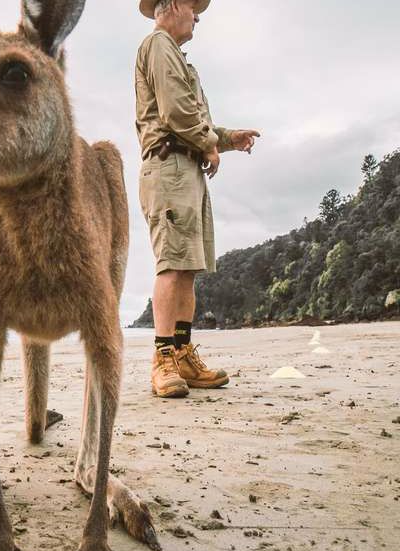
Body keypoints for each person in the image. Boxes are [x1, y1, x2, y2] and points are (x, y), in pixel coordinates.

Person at [135, 0, 260, 397]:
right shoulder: (158, 45)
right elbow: (175, 110)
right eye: (194, 7)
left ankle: (183, 353)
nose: (198, 17)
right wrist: (209, 143)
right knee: (172, 263)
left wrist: (226, 139)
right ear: (172, 4)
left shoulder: (177, 56)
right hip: (169, 164)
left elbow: (192, 117)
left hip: (185, 167)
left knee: (188, 266)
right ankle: (163, 359)